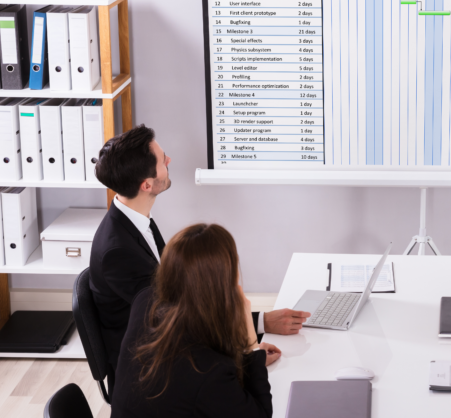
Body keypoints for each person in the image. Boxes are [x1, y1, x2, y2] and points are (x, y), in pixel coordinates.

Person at [90, 125, 309, 393]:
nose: (169, 160)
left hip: (166, 340)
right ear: (146, 185)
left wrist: (255, 325)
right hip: (147, 371)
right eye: (162, 160)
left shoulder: (136, 220)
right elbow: (174, 318)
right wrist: (253, 336)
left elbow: (178, 302)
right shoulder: (118, 252)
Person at [112, 223, 279, 418]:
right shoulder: (209, 373)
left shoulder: (145, 301)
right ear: (222, 284)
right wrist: (251, 347)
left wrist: (245, 360)